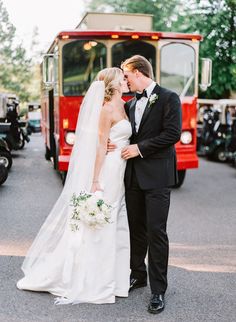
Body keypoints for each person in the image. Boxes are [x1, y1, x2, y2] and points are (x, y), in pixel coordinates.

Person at [17, 67, 131, 305]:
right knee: (103, 224)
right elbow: (100, 146)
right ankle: (97, 282)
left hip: (121, 170)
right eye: (122, 77)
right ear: (113, 83)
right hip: (109, 170)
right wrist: (95, 179)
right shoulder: (106, 109)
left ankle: (118, 280)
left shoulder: (124, 105)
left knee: (117, 222)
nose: (126, 79)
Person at [116, 55, 182, 314]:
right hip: (133, 178)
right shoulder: (130, 104)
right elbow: (127, 135)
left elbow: (172, 133)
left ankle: (158, 290)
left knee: (156, 232)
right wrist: (117, 146)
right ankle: (138, 274)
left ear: (138, 72)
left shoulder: (168, 97)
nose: (125, 80)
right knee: (136, 230)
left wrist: (139, 149)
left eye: (127, 76)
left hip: (157, 178)